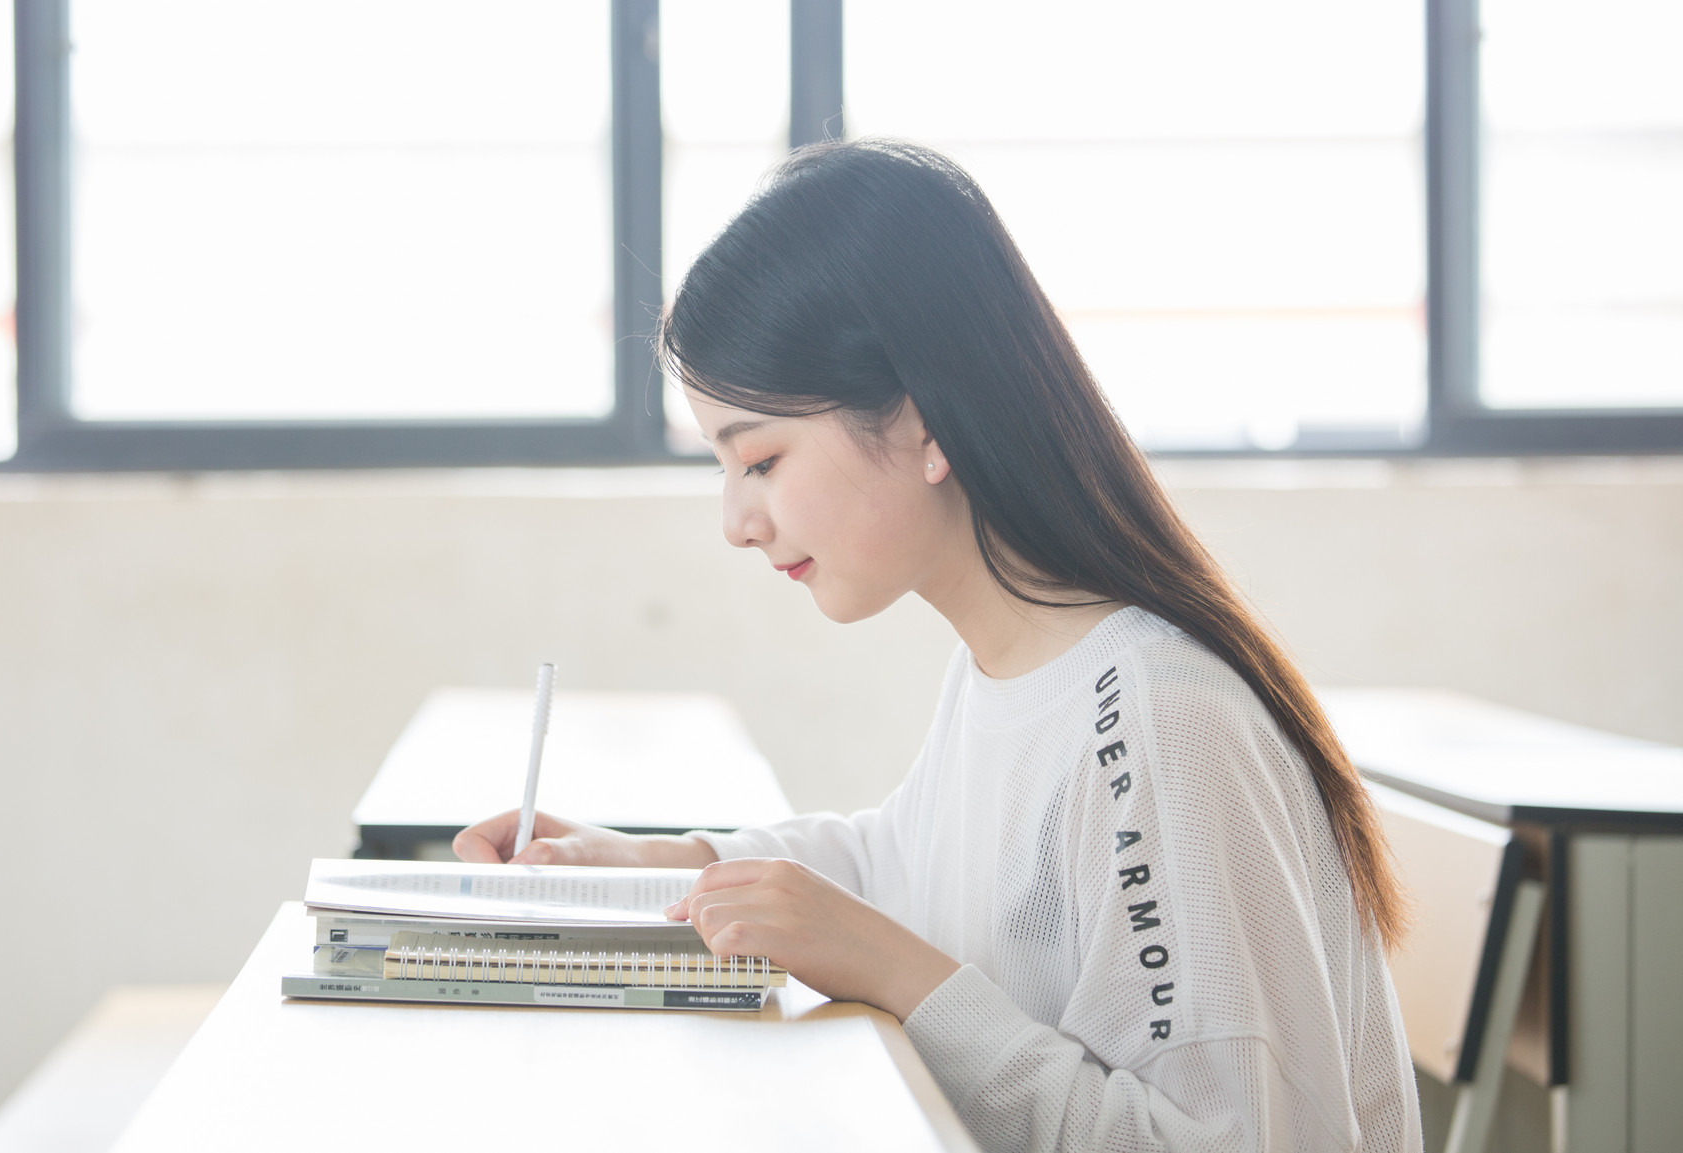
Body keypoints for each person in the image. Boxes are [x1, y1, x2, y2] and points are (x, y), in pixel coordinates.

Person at [454, 139, 1421, 1153]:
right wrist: (652, 864)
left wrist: (901, 978)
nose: (737, 522)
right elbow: (901, 862)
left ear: (922, 424)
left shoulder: (1153, 717)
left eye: (762, 460)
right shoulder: (1014, 664)